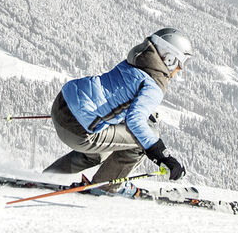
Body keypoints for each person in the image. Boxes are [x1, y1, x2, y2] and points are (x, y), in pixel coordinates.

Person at [44, 28, 191, 186]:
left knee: (101, 149)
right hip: (77, 132)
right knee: (140, 142)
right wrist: (163, 157)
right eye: (180, 63)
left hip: (61, 105)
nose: (179, 70)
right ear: (169, 58)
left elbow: (117, 95)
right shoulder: (153, 86)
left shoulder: (135, 62)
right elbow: (135, 122)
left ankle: (49, 176)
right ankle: (106, 187)